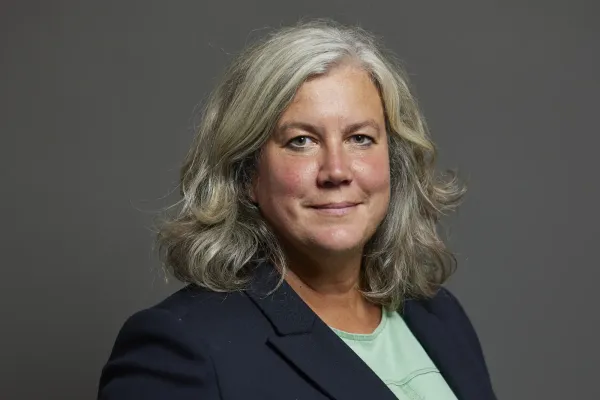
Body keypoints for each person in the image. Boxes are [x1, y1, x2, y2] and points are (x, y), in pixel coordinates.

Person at [98, 19, 497, 400]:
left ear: (392, 161)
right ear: (247, 173)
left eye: (360, 138)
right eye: (301, 141)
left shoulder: (438, 315)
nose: (336, 171)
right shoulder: (182, 348)